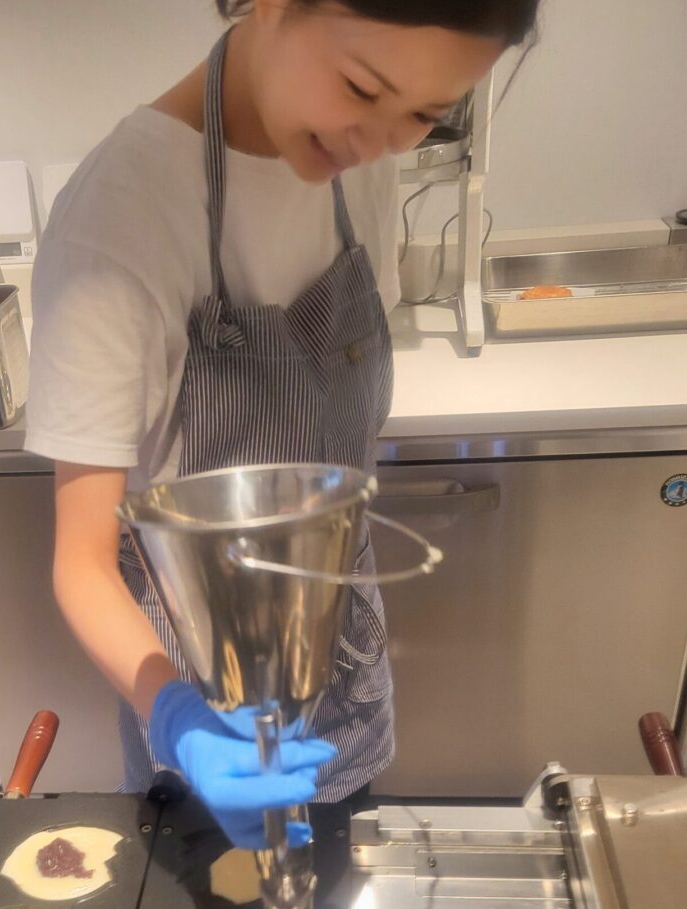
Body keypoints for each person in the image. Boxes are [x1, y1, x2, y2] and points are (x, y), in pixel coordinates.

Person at [26, 0, 539, 849]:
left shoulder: (359, 166)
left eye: (423, 114)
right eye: (362, 88)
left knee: (331, 903)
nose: (377, 141)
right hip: (197, 712)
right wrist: (179, 723)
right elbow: (80, 564)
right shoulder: (119, 221)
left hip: (344, 676)